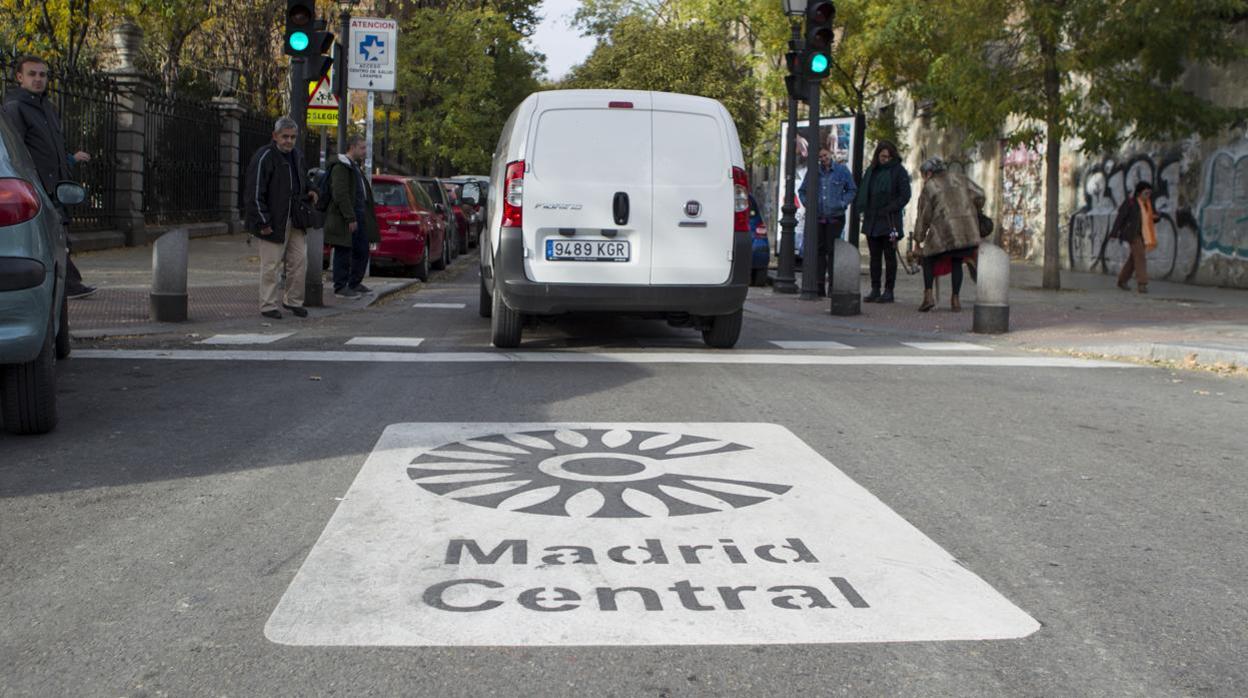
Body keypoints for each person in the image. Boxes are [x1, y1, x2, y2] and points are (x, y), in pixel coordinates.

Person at [2, 55, 96, 298]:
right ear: (20, 77)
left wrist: (69, 160)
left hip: (57, 186)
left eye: (43, 75)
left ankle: (69, 284)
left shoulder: (48, 109)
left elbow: (48, 147)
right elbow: (17, 150)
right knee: (54, 239)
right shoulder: (15, 108)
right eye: (32, 74)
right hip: (37, 187)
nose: (38, 79)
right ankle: (67, 286)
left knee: (61, 236)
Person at [243, 116, 315, 319]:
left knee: (299, 261)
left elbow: (304, 180)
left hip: (295, 219)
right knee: (271, 265)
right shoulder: (265, 156)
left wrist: (312, 190)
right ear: (275, 136)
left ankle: (293, 301)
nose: (289, 141)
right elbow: (254, 191)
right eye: (285, 137)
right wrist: (262, 221)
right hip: (274, 221)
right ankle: (268, 304)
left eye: (292, 137)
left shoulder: (297, 156)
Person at [912, 157, 985, 312]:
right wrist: (974, 209)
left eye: (924, 174)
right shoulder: (961, 179)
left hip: (943, 231)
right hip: (966, 231)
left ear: (929, 173)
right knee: (957, 260)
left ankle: (928, 297)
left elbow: (923, 216)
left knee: (928, 258)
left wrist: (918, 239)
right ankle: (955, 300)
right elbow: (980, 194)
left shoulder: (930, 187)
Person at [853, 141, 911, 303]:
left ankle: (889, 290)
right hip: (872, 219)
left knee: (890, 257)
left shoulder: (899, 172)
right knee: (874, 257)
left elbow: (905, 195)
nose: (884, 159)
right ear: (877, 155)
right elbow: (865, 191)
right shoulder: (872, 171)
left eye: (887, 156)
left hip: (889, 219)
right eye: (882, 156)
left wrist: (890, 207)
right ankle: (875, 288)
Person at [323, 134, 379, 298]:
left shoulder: (354, 167)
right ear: (352, 147)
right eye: (362, 147)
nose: (364, 151)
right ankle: (340, 286)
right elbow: (340, 193)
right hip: (346, 217)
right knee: (344, 250)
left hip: (359, 215)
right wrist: (350, 217)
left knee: (361, 250)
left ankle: (354, 282)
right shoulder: (342, 167)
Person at [798, 146, 857, 296]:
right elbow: (802, 191)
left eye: (825, 155)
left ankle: (833, 285)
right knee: (819, 251)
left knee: (833, 251)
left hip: (835, 217)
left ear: (830, 154)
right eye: (820, 157)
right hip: (818, 217)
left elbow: (851, 189)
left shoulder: (841, 171)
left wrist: (842, 203)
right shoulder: (814, 172)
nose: (823, 159)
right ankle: (819, 285)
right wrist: (809, 205)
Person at [1108, 181, 1159, 294]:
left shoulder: (1148, 204)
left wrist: (1156, 218)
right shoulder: (1130, 202)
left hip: (1143, 234)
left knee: (1134, 258)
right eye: (1146, 193)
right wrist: (1113, 233)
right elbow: (1120, 218)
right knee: (1140, 256)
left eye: (1149, 193)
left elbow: (1150, 218)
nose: (1148, 196)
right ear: (1139, 193)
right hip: (1132, 233)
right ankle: (1142, 283)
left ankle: (1122, 280)